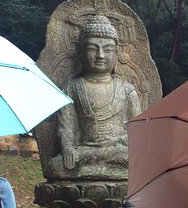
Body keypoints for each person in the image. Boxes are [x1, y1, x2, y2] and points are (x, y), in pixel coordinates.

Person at [46, 14, 141, 180]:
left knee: (138, 159)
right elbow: (65, 128)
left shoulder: (127, 91)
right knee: (55, 166)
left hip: (116, 151)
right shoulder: (72, 88)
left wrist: (115, 143)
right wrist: (68, 147)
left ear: (117, 53)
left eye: (108, 49)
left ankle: (96, 171)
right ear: (81, 53)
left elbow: (138, 133)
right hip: (83, 151)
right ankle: (107, 173)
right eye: (92, 49)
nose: (100, 55)